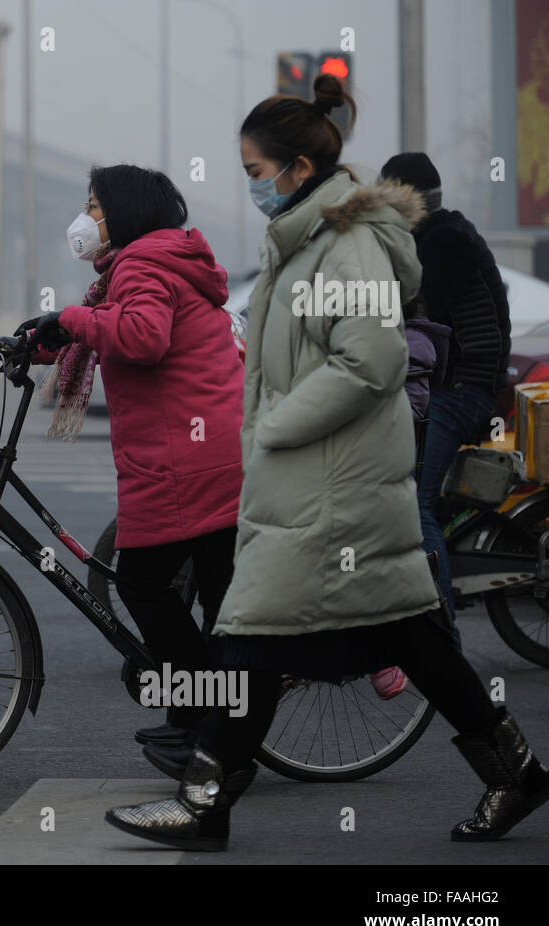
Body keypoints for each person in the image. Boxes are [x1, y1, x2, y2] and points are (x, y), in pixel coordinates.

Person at [106, 74, 548, 850]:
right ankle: (517, 774)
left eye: (254, 173)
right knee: (407, 639)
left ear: (296, 170)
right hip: (328, 486)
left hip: (333, 488)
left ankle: (205, 802)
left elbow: (371, 358)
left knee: (252, 629)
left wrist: (275, 424)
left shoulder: (344, 248)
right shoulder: (304, 244)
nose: (251, 188)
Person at [21, 164, 244, 754]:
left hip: (184, 457)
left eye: (95, 206)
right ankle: (214, 731)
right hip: (210, 448)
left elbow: (143, 335)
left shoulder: (142, 262)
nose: (88, 218)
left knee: (143, 582)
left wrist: (70, 319)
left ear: (124, 211)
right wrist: (60, 332)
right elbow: (124, 323)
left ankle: (201, 715)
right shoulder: (161, 258)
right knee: (220, 596)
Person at [380, 152, 511, 641]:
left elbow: (402, 301)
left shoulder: (444, 241)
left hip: (459, 393)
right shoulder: (429, 238)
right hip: (445, 389)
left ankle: (442, 639)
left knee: (416, 506)